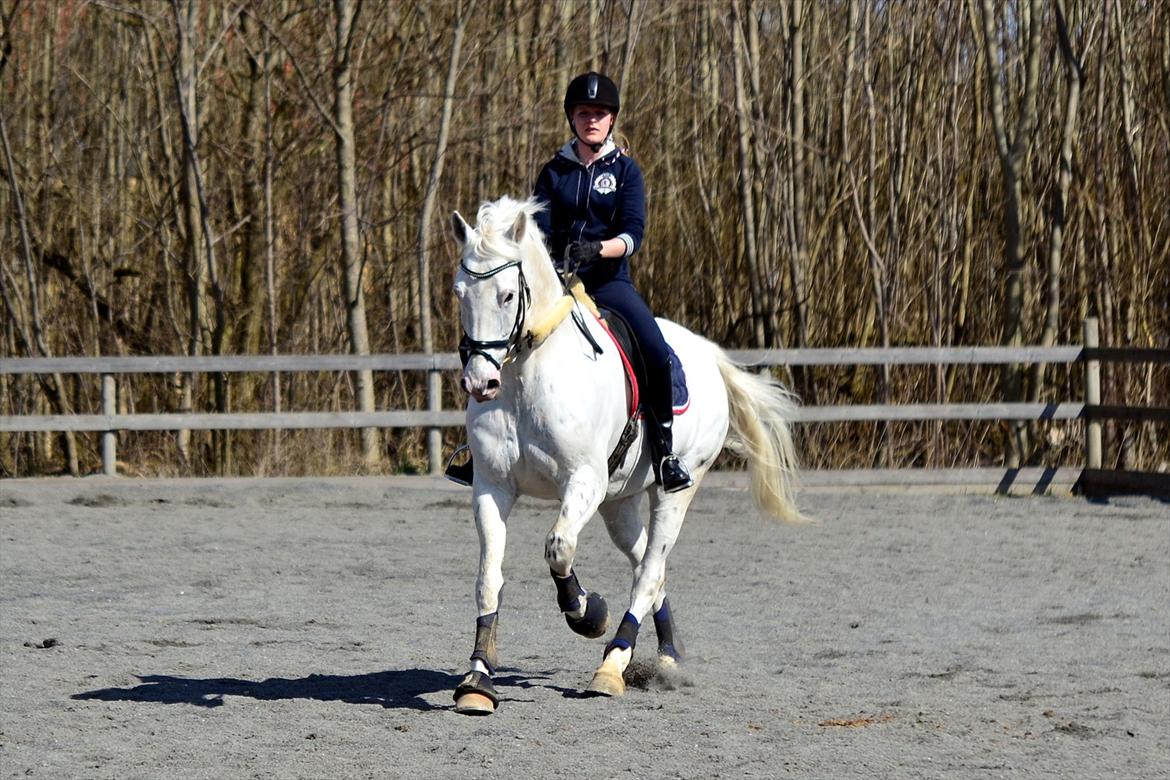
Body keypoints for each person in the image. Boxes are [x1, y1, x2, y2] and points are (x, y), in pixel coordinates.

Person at [447, 72, 692, 493]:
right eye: (583, 113)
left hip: (609, 283)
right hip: (555, 284)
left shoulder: (626, 172)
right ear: (572, 118)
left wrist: (598, 249)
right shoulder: (554, 171)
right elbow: (535, 233)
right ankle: (478, 448)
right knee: (486, 340)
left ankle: (666, 453)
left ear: (611, 119)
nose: (591, 120)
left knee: (654, 348)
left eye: (599, 113)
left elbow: (633, 235)